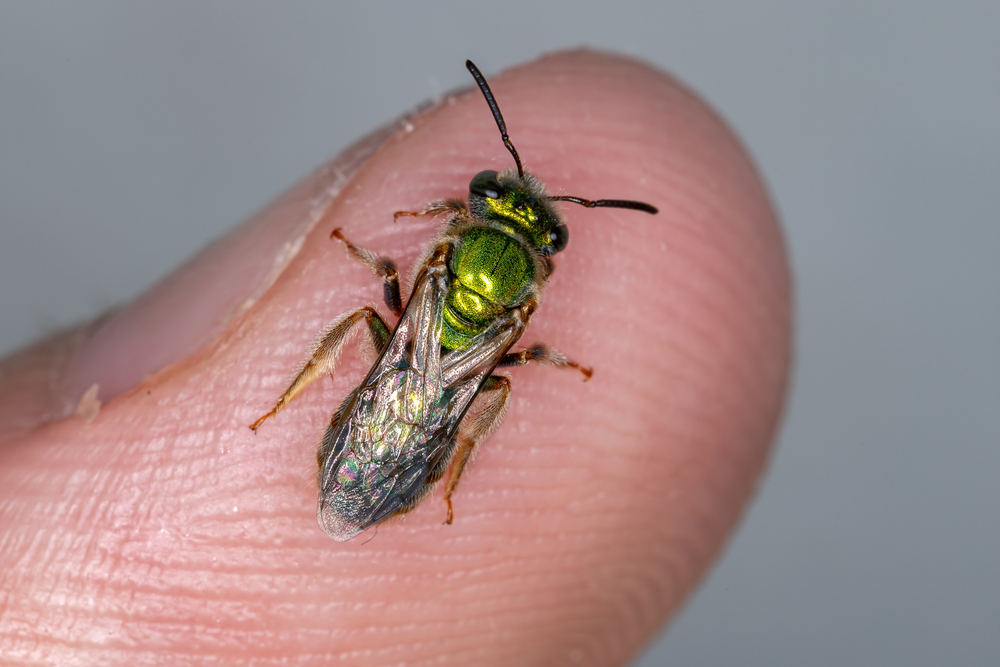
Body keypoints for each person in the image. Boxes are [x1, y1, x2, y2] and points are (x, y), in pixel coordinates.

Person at [0, 51, 790, 665]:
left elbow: (398, 265)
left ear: (464, 224)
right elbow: (522, 341)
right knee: (506, 377)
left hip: (395, 396)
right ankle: (444, 475)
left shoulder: (447, 255)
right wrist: (549, 360)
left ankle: (311, 410)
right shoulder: (522, 304)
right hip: (421, 421)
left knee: (369, 303)